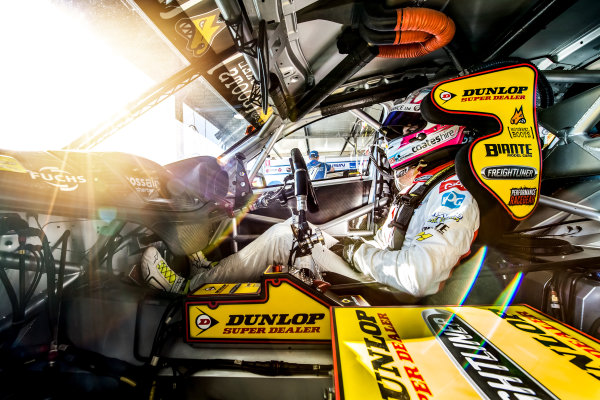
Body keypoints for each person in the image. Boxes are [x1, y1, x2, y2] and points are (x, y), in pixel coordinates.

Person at [141, 88, 480, 300]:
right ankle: (209, 277)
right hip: (376, 277)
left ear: (434, 135)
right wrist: (350, 248)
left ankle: (189, 289)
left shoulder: (455, 194)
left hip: (386, 297)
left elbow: (416, 277)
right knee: (290, 231)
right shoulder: (431, 188)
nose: (395, 141)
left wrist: (355, 251)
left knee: (286, 236)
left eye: (405, 130)